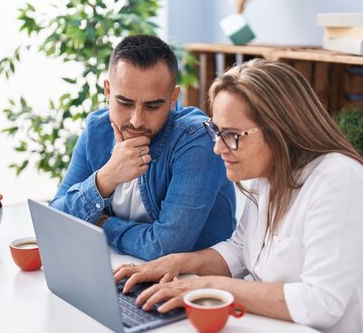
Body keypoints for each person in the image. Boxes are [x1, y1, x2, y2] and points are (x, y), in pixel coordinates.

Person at [114, 59, 363, 333]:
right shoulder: (266, 176)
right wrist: (179, 263)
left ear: (280, 130)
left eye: (232, 136)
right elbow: (240, 250)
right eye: (217, 131)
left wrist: (207, 286)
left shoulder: (340, 181)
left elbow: (320, 303)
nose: (218, 148)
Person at [50, 35, 236, 261]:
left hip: (193, 285)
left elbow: (164, 247)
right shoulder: (97, 130)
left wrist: (101, 223)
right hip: (117, 268)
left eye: (152, 105)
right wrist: (106, 178)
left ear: (172, 98)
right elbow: (55, 218)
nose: (137, 121)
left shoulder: (197, 140)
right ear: (108, 91)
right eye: (125, 103)